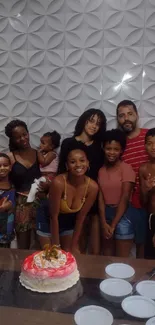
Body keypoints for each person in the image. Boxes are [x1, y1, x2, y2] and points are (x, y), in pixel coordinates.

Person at [58, 108, 106, 254]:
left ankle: (92, 274)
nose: (94, 126)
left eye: (98, 124)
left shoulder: (99, 148)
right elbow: (61, 171)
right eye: (91, 121)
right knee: (75, 244)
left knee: (94, 245)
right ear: (83, 121)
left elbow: (98, 175)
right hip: (72, 197)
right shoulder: (68, 143)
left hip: (92, 197)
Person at [36, 142, 98, 252]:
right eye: (73, 162)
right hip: (48, 217)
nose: (78, 165)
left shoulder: (92, 187)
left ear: (88, 163)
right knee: (51, 254)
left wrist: (74, 244)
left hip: (69, 220)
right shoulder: (59, 182)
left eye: (82, 160)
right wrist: (56, 246)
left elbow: (81, 218)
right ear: (67, 166)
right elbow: (53, 216)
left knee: (73, 252)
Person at [116, 100, 148, 257]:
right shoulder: (118, 144)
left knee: (147, 249)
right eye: (121, 116)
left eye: (130, 114)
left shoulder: (148, 137)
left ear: (137, 115)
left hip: (151, 200)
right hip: (130, 204)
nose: (126, 118)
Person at [98, 129, 136, 257]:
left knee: (122, 260)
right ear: (103, 148)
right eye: (109, 148)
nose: (112, 152)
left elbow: (125, 198)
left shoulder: (127, 169)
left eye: (116, 149)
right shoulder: (101, 171)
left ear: (121, 151)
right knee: (107, 258)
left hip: (123, 215)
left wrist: (113, 224)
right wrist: (103, 222)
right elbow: (101, 198)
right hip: (106, 214)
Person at [5, 119, 41, 249]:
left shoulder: (38, 154)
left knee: (40, 242)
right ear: (12, 140)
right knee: (23, 245)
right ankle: (23, 269)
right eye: (17, 137)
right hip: (20, 204)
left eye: (24, 134)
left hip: (39, 201)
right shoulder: (10, 157)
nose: (23, 138)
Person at [139, 128, 155, 259]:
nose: (153, 147)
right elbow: (143, 201)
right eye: (149, 143)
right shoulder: (143, 169)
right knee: (150, 259)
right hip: (151, 219)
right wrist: (147, 189)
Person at [0, 153, 15, 248]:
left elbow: (13, 204)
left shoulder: (12, 186)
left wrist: (10, 206)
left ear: (10, 167)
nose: (2, 168)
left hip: (7, 231)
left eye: (5, 165)